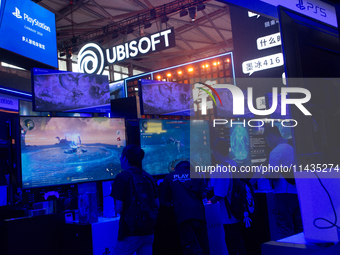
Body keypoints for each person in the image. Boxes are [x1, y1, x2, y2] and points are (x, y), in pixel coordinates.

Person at [111, 144, 159, 255]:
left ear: (125, 158)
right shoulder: (148, 176)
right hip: (149, 231)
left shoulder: (121, 177)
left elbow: (118, 208)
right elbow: (157, 203)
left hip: (130, 231)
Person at [161, 161, 210, 255]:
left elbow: (163, 201)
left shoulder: (169, 177)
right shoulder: (196, 175)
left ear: (176, 168)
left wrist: (172, 204)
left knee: (191, 246)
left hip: (183, 216)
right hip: (199, 215)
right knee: (203, 244)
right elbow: (204, 194)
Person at [263, 125, 303, 239]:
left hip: (282, 194)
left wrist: (266, 175)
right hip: (296, 192)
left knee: (285, 228)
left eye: (267, 140)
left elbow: (275, 176)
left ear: (271, 137)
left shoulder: (275, 153)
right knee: (299, 227)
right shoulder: (293, 148)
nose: (268, 144)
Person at [210, 138, 247, 255]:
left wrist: (208, 201)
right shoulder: (235, 164)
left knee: (232, 242)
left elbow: (219, 194)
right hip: (239, 208)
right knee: (239, 241)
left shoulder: (219, 168)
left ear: (216, 151)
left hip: (228, 213)